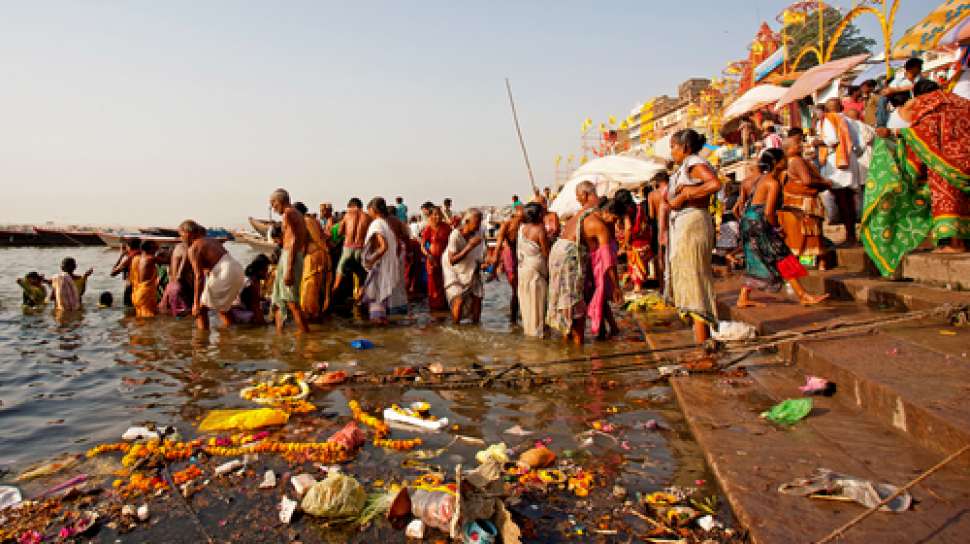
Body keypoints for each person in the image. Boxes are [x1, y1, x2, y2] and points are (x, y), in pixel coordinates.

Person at [865, 81, 970, 267]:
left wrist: (892, 133)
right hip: (966, 158)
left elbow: (923, 132)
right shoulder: (962, 102)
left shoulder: (926, 103)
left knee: (949, 199)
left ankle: (956, 243)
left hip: (944, 163)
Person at [738, 148, 830, 308]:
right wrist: (776, 227)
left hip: (749, 221)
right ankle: (803, 295)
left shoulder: (762, 179)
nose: (787, 161)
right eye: (783, 159)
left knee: (760, 258)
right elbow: (768, 212)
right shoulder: (772, 182)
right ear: (776, 163)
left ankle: (743, 297)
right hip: (760, 222)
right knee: (782, 256)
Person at [665, 129, 721, 346]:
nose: (672, 151)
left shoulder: (694, 163)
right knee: (691, 280)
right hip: (686, 224)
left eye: (673, 146)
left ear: (685, 148)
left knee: (694, 281)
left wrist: (687, 194)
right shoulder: (685, 167)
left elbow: (715, 184)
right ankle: (702, 342)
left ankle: (703, 345)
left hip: (693, 224)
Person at [546, 181, 618, 344]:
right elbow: (606, 257)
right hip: (569, 256)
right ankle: (577, 347)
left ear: (585, 195)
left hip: (559, 252)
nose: (578, 200)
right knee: (575, 302)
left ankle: (570, 345)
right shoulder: (594, 214)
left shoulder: (586, 211)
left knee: (567, 301)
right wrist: (615, 285)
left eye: (578, 197)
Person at [779, 135, 833, 268]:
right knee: (812, 236)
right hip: (804, 204)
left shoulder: (785, 163)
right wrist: (824, 182)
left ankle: (794, 270)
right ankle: (821, 264)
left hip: (792, 205)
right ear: (789, 148)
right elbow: (807, 181)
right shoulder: (797, 161)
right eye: (797, 144)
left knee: (795, 238)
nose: (801, 145)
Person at [181, 219, 246, 331]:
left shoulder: (193, 248)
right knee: (223, 309)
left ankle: (201, 341)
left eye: (181, 234)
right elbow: (209, 271)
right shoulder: (210, 240)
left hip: (225, 271)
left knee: (201, 308)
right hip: (237, 269)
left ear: (188, 233)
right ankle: (228, 336)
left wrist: (195, 303)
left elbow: (199, 276)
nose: (181, 238)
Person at [820, 98, 863, 246]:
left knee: (843, 199)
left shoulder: (829, 119)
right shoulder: (849, 120)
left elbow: (832, 140)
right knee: (849, 200)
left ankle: (850, 237)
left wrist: (818, 142)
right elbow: (859, 145)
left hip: (838, 164)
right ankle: (851, 235)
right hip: (850, 161)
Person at [269, 189, 309, 333]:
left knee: (292, 302)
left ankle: (306, 337)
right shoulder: (297, 214)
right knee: (280, 300)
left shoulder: (289, 213)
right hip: (291, 256)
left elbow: (293, 241)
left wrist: (290, 269)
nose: (273, 208)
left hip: (290, 257)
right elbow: (303, 239)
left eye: (273, 204)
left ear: (278, 201)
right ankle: (279, 335)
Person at [361, 197, 405, 324]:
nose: (368, 213)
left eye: (369, 210)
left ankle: (380, 338)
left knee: (376, 308)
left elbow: (384, 246)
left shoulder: (377, 224)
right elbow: (396, 245)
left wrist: (371, 260)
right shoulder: (386, 224)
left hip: (379, 268)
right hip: (386, 268)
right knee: (381, 308)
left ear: (373, 210)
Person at [443, 209, 485, 324]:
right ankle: (456, 328)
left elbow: (480, 252)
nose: (479, 226)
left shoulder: (479, 231)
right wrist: (469, 246)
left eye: (480, 222)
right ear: (466, 221)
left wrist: (484, 263)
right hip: (453, 269)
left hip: (471, 266)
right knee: (459, 299)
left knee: (478, 297)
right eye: (477, 222)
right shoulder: (455, 235)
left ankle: (476, 327)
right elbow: (452, 260)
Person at [517, 202, 550, 337]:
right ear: (538, 214)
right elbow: (546, 253)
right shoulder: (540, 229)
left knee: (527, 305)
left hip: (524, 269)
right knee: (538, 306)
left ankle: (529, 332)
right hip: (536, 271)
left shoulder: (522, 228)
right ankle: (538, 335)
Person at [295, 202, 332, 320]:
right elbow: (325, 236)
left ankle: (311, 324)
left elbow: (319, 241)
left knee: (309, 292)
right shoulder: (311, 220)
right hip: (314, 258)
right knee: (312, 291)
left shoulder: (306, 221)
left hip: (315, 259)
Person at [489, 205, 524, 321]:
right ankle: (514, 319)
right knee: (516, 290)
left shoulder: (523, 224)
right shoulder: (507, 225)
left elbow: (498, 249)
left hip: (521, 256)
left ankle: (517, 318)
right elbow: (497, 248)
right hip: (511, 256)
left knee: (519, 291)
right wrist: (493, 269)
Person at [333, 197, 371, 299]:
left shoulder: (347, 215)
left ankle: (334, 292)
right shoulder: (367, 217)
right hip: (361, 249)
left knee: (340, 271)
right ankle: (359, 297)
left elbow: (340, 232)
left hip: (347, 249)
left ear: (352, 206)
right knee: (361, 275)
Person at [421, 206, 452, 311]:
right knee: (433, 284)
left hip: (445, 260)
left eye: (439, 214)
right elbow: (422, 246)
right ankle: (434, 308)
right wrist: (428, 255)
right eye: (435, 214)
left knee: (446, 281)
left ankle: (445, 306)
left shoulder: (447, 227)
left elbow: (452, 243)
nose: (437, 216)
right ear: (430, 216)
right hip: (432, 260)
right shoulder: (428, 228)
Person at [625, 187, 653, 293]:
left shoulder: (629, 211)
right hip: (644, 241)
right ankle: (638, 287)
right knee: (641, 265)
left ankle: (637, 288)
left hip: (635, 242)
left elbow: (629, 227)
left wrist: (626, 243)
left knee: (636, 266)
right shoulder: (640, 208)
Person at [230, 254, 271, 325]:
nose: (268, 273)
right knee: (256, 317)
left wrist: (263, 299)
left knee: (267, 304)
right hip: (237, 312)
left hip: (235, 308)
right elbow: (256, 308)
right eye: (266, 270)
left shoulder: (248, 278)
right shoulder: (252, 284)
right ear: (260, 271)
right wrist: (266, 326)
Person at [160, 235, 193, 317]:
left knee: (170, 316)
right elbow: (180, 275)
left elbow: (171, 272)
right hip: (180, 287)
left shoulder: (177, 248)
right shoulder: (187, 250)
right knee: (185, 318)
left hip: (170, 286)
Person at [648, 172, 670, 289]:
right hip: (673, 223)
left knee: (659, 257)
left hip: (658, 225)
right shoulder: (672, 190)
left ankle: (662, 286)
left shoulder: (652, 195)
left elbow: (651, 215)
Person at [130, 240, 160, 318]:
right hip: (146, 294)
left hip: (136, 293)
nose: (157, 249)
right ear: (151, 248)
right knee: (148, 321)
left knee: (140, 320)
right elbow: (167, 260)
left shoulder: (135, 258)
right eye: (156, 247)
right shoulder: (150, 258)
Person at [110, 238, 140, 308]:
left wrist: (121, 256)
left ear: (128, 247)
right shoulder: (142, 255)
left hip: (131, 288)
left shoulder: (130, 258)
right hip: (141, 288)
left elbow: (113, 273)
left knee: (128, 312)